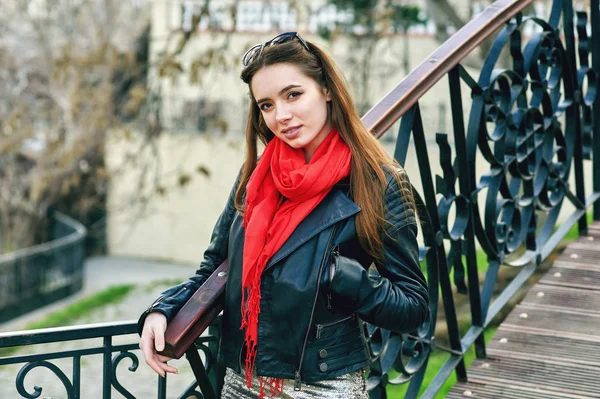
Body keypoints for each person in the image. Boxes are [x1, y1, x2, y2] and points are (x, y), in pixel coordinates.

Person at [138, 32, 429, 399]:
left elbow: (413, 306)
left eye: (293, 95)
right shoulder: (255, 179)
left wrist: (345, 278)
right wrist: (162, 310)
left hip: (326, 384)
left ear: (326, 89)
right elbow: (216, 268)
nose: (282, 115)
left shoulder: (378, 183)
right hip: (242, 379)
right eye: (267, 105)